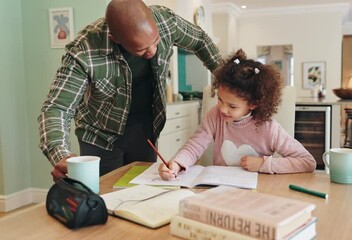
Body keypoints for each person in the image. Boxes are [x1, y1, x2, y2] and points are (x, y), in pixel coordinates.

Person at [38, 0, 222, 180]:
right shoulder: (84, 50)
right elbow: (57, 108)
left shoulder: (166, 21)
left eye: (156, 41)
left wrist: (224, 78)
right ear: (115, 39)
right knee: (104, 197)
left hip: (145, 129)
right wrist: (60, 154)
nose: (152, 51)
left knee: (139, 192)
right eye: (141, 49)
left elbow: (200, 40)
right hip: (100, 136)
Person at [158, 49, 316, 180]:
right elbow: (195, 146)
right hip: (219, 189)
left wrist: (263, 164)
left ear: (253, 104)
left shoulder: (269, 128)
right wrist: (177, 164)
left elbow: (307, 162)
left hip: (259, 192)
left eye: (232, 106)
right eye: (220, 100)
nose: (222, 109)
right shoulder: (214, 116)